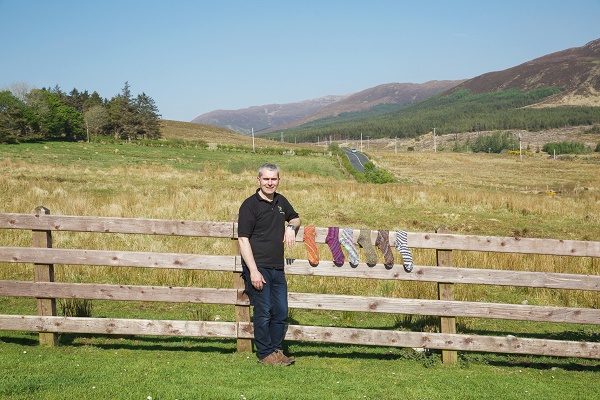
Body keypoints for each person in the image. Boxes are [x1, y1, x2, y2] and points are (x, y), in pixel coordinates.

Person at [237, 163, 301, 366]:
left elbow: (297, 218)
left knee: (281, 311)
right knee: (263, 312)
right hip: (258, 267)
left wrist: (291, 227)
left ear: (279, 180)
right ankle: (265, 354)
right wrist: (253, 271)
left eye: (274, 179)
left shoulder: (281, 201)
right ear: (258, 180)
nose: (270, 183)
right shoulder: (250, 205)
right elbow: (243, 239)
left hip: (277, 267)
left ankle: (275, 349)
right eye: (266, 179)